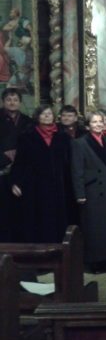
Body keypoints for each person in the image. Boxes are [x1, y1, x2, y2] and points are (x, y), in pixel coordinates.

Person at [10, 105, 71, 243]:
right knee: (38, 221)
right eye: (43, 114)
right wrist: (16, 182)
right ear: (37, 117)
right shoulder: (27, 137)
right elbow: (20, 162)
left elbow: (69, 163)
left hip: (58, 186)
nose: (47, 116)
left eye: (49, 113)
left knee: (57, 221)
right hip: (35, 186)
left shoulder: (63, 137)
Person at [71, 112, 106, 270]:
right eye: (94, 122)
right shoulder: (80, 143)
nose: (99, 124)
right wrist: (80, 194)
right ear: (88, 125)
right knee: (95, 228)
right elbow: (77, 170)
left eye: (101, 121)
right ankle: (95, 262)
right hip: (93, 191)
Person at [0, 88, 32, 242]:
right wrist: (5, 157)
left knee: (22, 212)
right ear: (3, 102)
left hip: (22, 172)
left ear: (20, 102)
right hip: (2, 171)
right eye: (8, 100)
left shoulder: (28, 121)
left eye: (15, 100)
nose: (12, 103)